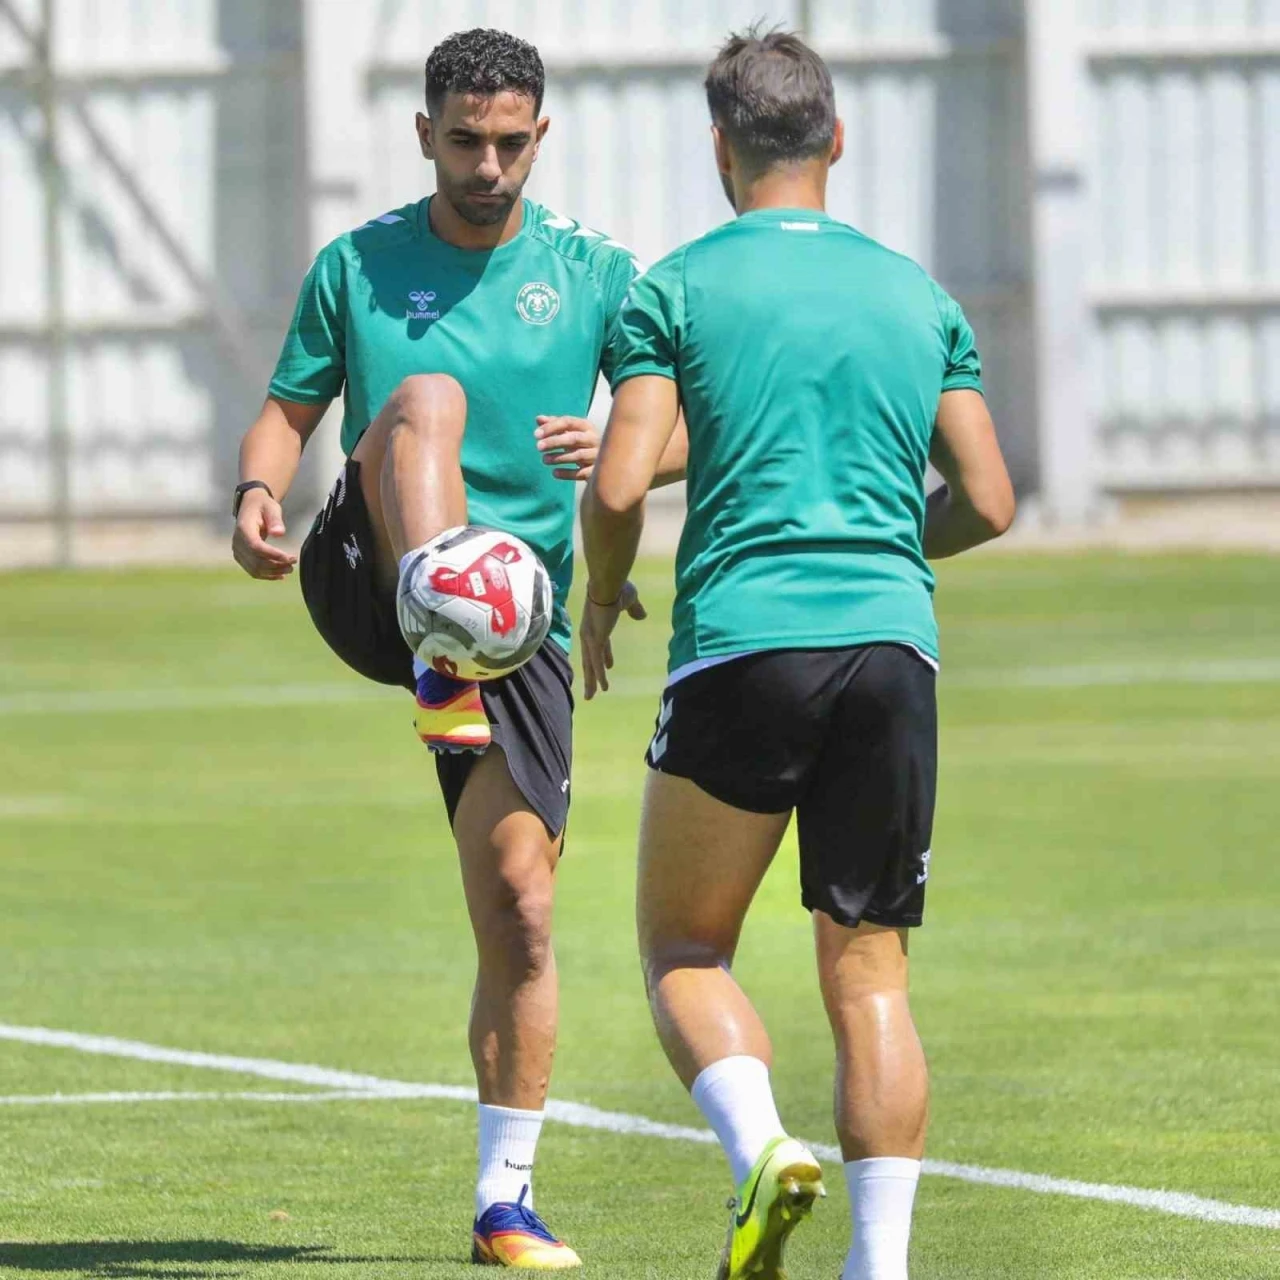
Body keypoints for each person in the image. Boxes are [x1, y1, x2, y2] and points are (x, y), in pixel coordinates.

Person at [231, 27, 684, 1270]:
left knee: (521, 907)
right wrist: (255, 493)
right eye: (466, 141)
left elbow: (684, 419)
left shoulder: (596, 272)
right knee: (427, 398)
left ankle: (504, 1203)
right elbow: (285, 414)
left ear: (540, 137)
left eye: (511, 143)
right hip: (370, 573)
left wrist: (627, 451)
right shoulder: (358, 264)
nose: (489, 166)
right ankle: (442, 645)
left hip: (518, 619)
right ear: (424, 134)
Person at [578, 26, 1015, 1280]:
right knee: (869, 975)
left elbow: (618, 483)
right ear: (836, 138)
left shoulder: (675, 287)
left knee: (682, 946)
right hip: (891, 647)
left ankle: (761, 1147)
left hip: (743, 642)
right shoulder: (915, 294)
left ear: (718, 146)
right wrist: (881, 550)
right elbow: (988, 500)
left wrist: (601, 596)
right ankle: (878, 1264)